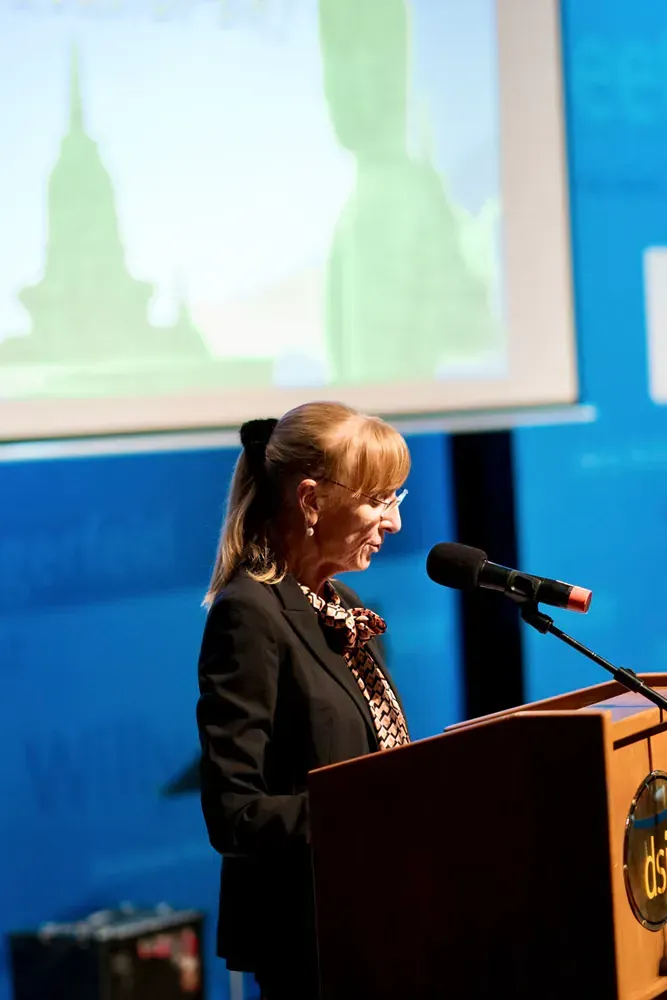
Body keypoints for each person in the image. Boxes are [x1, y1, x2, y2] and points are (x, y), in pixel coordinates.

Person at [196, 400, 411, 1000]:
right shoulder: (250, 614)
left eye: (398, 497)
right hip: (309, 941)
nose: (392, 523)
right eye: (378, 500)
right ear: (312, 500)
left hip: (382, 918)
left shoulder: (343, 609)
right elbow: (234, 813)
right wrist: (370, 812)